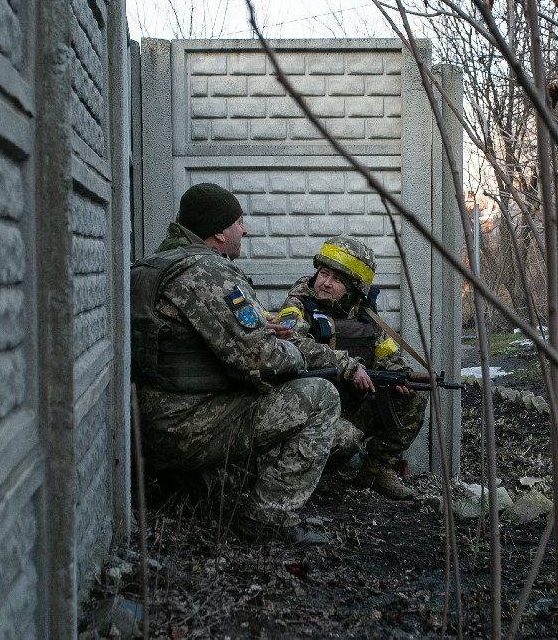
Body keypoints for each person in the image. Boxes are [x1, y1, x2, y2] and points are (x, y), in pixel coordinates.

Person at [130, 183, 343, 547]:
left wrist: (259, 332)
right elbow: (263, 359)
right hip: (182, 426)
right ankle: (268, 520)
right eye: (239, 223)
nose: (244, 230)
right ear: (218, 231)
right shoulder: (207, 273)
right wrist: (292, 351)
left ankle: (194, 485)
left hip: (145, 423)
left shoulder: (153, 265)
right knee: (320, 397)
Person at [276, 235, 429, 500]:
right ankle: (313, 473)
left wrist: (400, 376)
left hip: (351, 404)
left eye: (337, 280)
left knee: (414, 394)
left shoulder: (364, 315)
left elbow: (388, 354)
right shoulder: (298, 305)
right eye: (324, 273)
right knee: (346, 438)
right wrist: (347, 366)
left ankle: (376, 469)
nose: (325, 283)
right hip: (309, 409)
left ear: (354, 287)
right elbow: (292, 344)